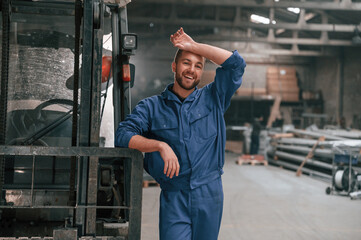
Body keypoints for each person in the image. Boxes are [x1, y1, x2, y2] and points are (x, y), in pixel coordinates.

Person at [115, 27, 246, 240]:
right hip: (174, 195)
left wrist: (193, 47)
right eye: (186, 63)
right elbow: (123, 136)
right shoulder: (152, 107)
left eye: (198, 66)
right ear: (174, 66)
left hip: (209, 192)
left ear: (202, 72)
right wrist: (159, 146)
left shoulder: (214, 97)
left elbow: (236, 64)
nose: (191, 70)